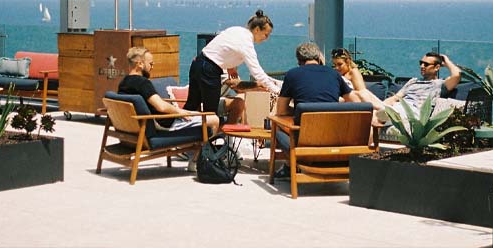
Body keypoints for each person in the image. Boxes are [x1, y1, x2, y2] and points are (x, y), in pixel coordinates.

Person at [274, 42, 360, 177]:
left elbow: (281, 111)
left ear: (299, 61)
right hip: (335, 139)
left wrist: (300, 111)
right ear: (319, 58)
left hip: (304, 143)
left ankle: (289, 167)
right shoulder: (334, 74)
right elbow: (356, 103)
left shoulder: (292, 75)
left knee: (277, 127)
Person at [186, 10, 281, 124]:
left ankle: (178, 132)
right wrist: (277, 91)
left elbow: (224, 46)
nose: (266, 38)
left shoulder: (237, 30)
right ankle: (206, 141)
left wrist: (231, 66)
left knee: (191, 106)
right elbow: (258, 73)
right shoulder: (246, 43)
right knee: (210, 112)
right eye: (266, 34)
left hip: (198, 63)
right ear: (257, 30)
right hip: (209, 69)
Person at [118, 47, 220, 135]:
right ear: (140, 64)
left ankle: (192, 151)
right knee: (213, 118)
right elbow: (161, 106)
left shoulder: (123, 84)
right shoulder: (142, 83)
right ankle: (205, 153)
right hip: (165, 124)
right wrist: (181, 112)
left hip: (140, 127)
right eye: (150, 64)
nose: (152, 67)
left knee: (196, 114)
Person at [377, 52, 461, 122]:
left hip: (414, 113)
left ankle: (386, 116)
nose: (422, 66)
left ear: (437, 67)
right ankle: (384, 115)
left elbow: (457, 75)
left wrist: (447, 62)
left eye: (426, 64)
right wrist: (382, 104)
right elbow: (395, 98)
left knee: (380, 114)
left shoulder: (440, 84)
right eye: (421, 63)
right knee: (373, 113)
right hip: (399, 107)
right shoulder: (413, 81)